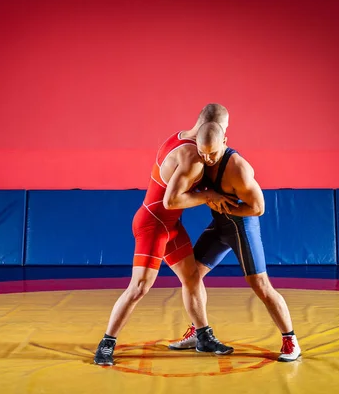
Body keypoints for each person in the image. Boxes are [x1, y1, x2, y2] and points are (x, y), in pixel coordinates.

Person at [93, 105, 237, 366]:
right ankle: (106, 344)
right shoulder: (192, 156)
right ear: (213, 126)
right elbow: (171, 201)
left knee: (192, 277)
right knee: (139, 287)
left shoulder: (180, 136)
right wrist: (209, 195)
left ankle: (203, 335)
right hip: (153, 224)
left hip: (169, 225)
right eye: (224, 129)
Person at [168, 123, 302, 362]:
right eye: (203, 152)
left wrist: (223, 205)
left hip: (242, 225)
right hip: (219, 225)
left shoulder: (237, 168)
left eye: (214, 153)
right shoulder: (194, 158)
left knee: (260, 283)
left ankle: (290, 339)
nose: (208, 159)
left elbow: (258, 208)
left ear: (225, 142)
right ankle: (199, 333)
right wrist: (210, 198)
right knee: (191, 275)